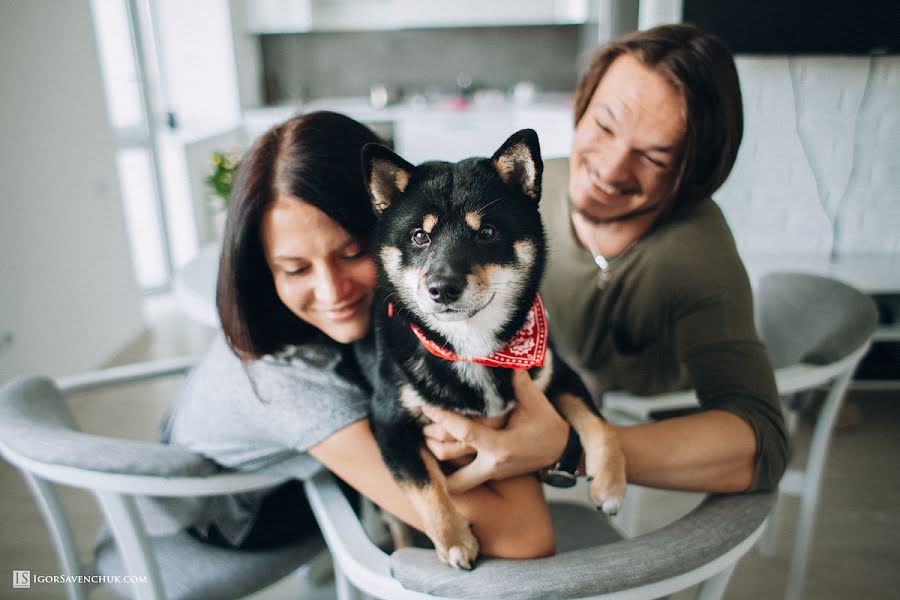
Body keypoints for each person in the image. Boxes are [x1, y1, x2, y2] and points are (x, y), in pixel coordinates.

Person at [163, 110, 555, 557]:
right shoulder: (292, 386)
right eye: (295, 268)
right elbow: (526, 537)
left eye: (352, 253)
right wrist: (529, 444)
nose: (333, 293)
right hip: (240, 515)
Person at [422, 23, 789, 495]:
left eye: (654, 157)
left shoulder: (697, 258)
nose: (610, 170)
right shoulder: (516, 197)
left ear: (693, 169)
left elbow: (764, 443)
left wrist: (570, 447)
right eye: (604, 126)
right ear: (582, 103)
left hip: (643, 402)